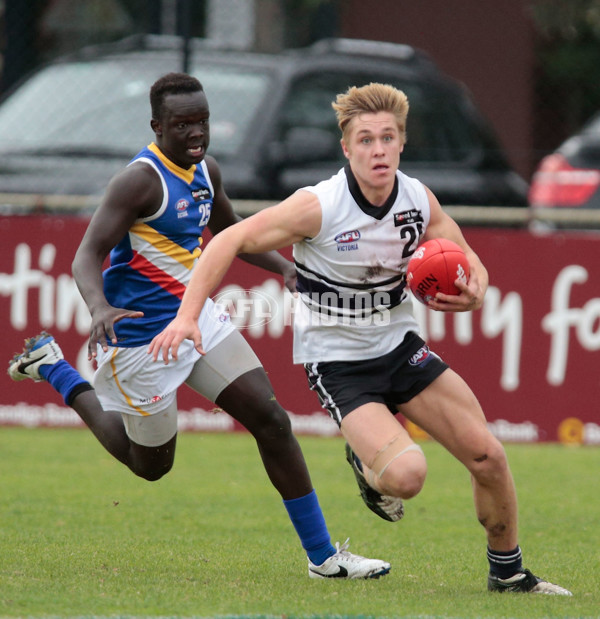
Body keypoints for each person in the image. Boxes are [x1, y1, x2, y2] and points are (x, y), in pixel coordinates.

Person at [148, 82, 572, 596]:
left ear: (401, 143)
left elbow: (460, 248)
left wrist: (476, 288)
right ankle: (368, 465)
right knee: (407, 476)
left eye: (387, 138)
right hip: (338, 364)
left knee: (488, 456)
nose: (378, 150)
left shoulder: (415, 198)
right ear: (346, 149)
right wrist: (188, 316)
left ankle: (508, 574)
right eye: (366, 140)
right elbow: (231, 238)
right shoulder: (319, 206)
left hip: (401, 350)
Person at [7, 72, 391, 580]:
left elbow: (233, 232)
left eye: (203, 121)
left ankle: (323, 557)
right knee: (150, 467)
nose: (196, 134)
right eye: (183, 124)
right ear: (156, 126)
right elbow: (86, 256)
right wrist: (98, 308)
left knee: (271, 420)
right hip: (140, 341)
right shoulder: (139, 181)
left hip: (196, 320)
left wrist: (285, 269)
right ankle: (56, 370)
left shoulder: (206, 169)